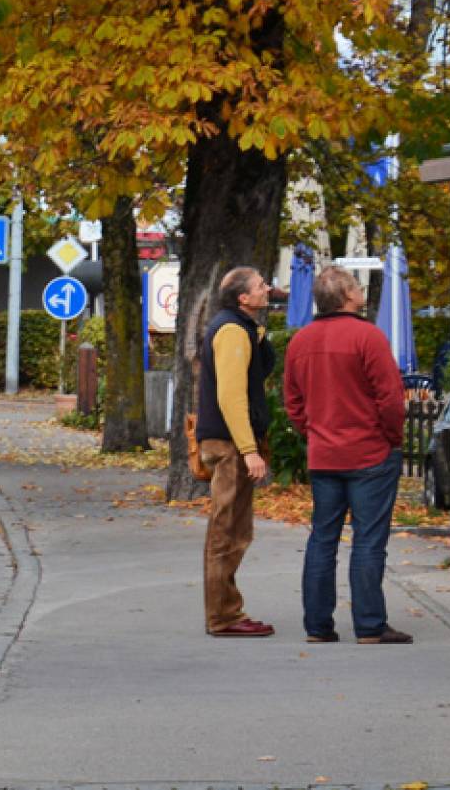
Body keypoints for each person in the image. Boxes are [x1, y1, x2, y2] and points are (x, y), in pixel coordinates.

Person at [284, 266, 411, 645]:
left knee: (323, 538)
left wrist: (313, 432)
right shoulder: (368, 338)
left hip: (325, 455)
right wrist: (392, 437)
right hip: (369, 452)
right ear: (345, 296)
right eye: (356, 286)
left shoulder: (301, 341)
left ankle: (318, 625)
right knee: (369, 540)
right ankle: (370, 624)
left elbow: (293, 401)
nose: (361, 291)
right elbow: (390, 396)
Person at [196, 265, 278, 637]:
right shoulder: (231, 331)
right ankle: (224, 615)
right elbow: (231, 397)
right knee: (227, 529)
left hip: (230, 442)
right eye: (261, 285)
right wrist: (249, 449)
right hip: (230, 444)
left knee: (233, 528)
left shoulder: (243, 328)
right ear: (243, 297)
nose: (267, 289)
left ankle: (227, 611)